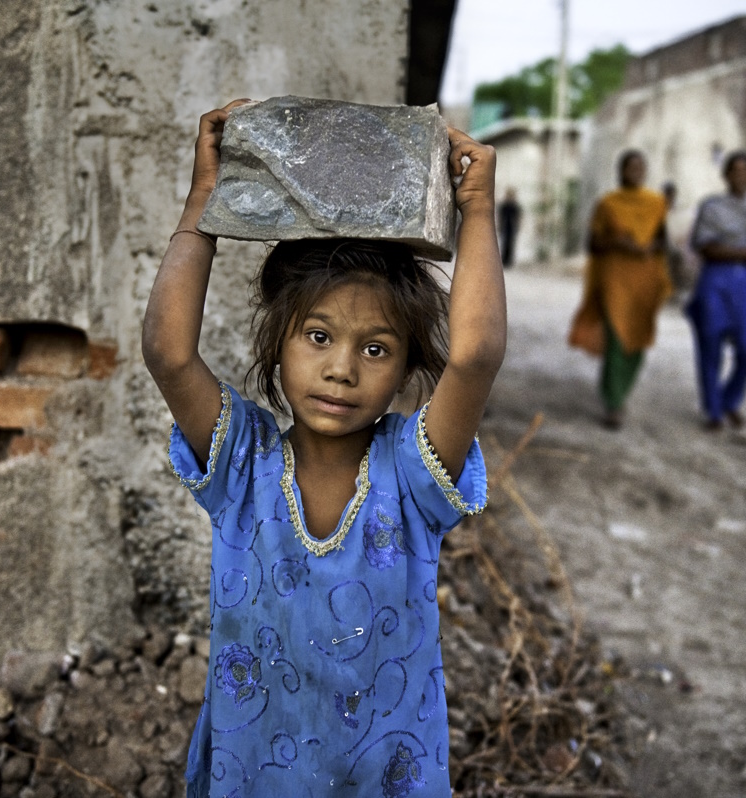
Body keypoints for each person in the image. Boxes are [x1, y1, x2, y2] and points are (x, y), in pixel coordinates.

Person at [142, 99, 506, 797]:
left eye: (376, 348)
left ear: (404, 370)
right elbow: (166, 348)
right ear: (278, 344)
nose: (342, 368)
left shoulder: (413, 474)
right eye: (318, 337)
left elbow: (477, 355)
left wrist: (479, 212)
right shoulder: (241, 465)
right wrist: (203, 198)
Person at [567, 150, 672, 429]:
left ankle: (620, 390)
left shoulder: (656, 203)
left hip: (645, 281)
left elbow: (663, 240)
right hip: (614, 280)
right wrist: (617, 244)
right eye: (630, 166)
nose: (635, 171)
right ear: (620, 171)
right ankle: (613, 403)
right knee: (616, 337)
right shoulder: (608, 205)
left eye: (640, 166)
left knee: (637, 337)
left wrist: (650, 247)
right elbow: (593, 244)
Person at [686, 150, 746, 431]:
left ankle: (729, 400)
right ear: (725, 175)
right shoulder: (712, 208)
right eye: (734, 171)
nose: (740, 176)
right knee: (710, 344)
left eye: (745, 171)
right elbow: (705, 248)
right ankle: (713, 411)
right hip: (715, 280)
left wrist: (745, 253)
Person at [498, 188, 521, 267]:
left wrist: (517, 226)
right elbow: (500, 217)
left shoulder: (514, 206)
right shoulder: (504, 205)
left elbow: (518, 217)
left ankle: (509, 260)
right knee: (504, 243)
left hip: (511, 226)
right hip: (505, 225)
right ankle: (504, 260)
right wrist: (500, 225)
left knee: (511, 243)